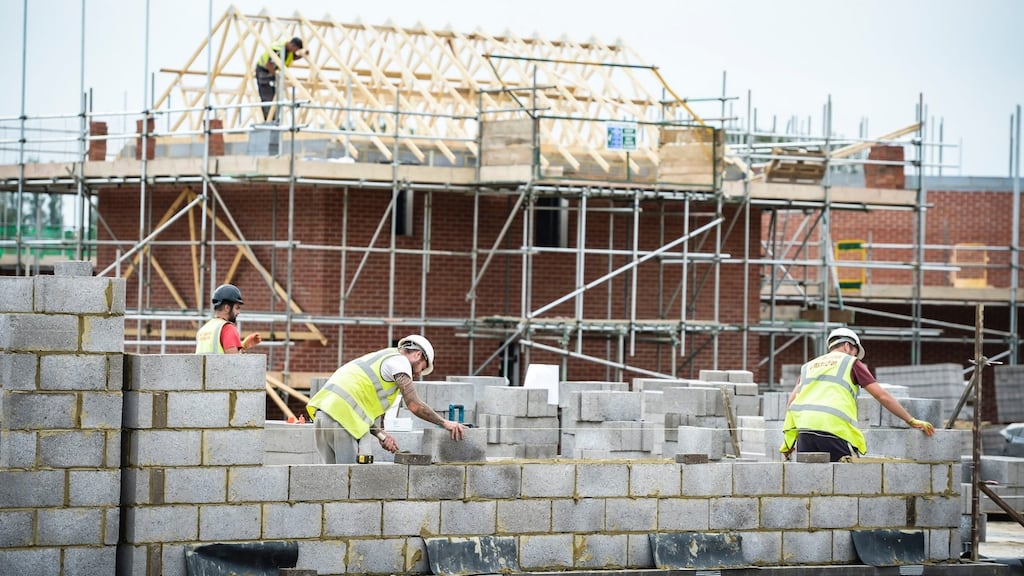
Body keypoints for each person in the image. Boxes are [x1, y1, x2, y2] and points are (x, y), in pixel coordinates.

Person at [780, 327, 935, 462]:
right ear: (848, 346)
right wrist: (911, 420)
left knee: (812, 485)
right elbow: (882, 396)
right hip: (832, 430)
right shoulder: (850, 362)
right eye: (855, 352)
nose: (854, 356)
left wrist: (788, 443)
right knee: (843, 484)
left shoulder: (809, 366)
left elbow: (791, 403)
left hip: (805, 431)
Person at [306, 335, 467, 464]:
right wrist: (444, 422)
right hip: (342, 422)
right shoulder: (400, 361)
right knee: (348, 482)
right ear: (418, 355)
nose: (418, 374)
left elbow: (356, 410)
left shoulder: (383, 358)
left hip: (324, 416)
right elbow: (414, 405)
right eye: (422, 368)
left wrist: (382, 435)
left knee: (329, 482)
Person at [195, 284, 262, 354]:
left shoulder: (204, 329)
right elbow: (233, 362)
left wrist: (244, 346)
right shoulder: (228, 328)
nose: (238, 312)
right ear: (227, 308)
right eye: (237, 308)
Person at [254, 36, 304, 121]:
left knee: (275, 97)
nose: (295, 51)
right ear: (292, 45)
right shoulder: (278, 49)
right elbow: (268, 64)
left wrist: (303, 54)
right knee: (267, 97)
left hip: (273, 73)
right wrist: (277, 76)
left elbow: (293, 57)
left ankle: (274, 119)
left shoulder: (289, 51)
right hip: (264, 72)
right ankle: (268, 120)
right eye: (296, 49)